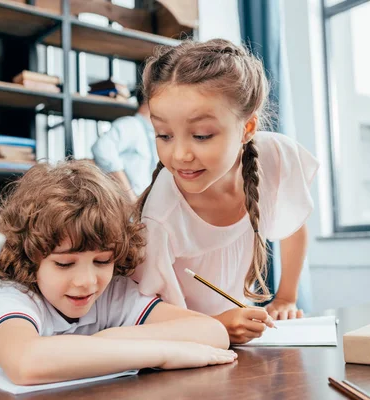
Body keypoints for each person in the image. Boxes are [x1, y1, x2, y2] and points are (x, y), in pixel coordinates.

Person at [0, 160, 236, 385]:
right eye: (64, 264)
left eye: (102, 261)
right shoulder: (8, 295)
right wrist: (165, 353)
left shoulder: (112, 292)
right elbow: (26, 362)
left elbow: (212, 331)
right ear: (29, 256)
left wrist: (104, 342)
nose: (86, 282)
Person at [133, 39, 319, 344]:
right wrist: (216, 326)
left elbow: (294, 228)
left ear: (247, 128)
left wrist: (286, 298)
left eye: (201, 135)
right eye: (163, 135)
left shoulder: (275, 157)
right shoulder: (160, 216)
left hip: (241, 338)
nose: (179, 154)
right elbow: (145, 317)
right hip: (188, 342)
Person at [91, 93, 158, 202]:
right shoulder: (131, 125)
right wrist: (129, 195)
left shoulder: (154, 133)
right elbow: (102, 149)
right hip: (130, 211)